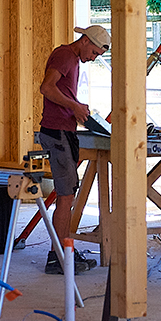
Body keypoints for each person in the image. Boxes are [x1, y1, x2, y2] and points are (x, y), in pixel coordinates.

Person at [38, 25, 111, 274]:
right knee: (65, 197)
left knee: (67, 195)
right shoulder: (65, 55)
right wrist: (74, 106)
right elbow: (46, 88)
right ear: (85, 40)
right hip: (56, 132)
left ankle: (63, 251)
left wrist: (77, 107)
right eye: (93, 53)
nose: (92, 58)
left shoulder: (73, 59)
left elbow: (60, 91)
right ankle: (58, 257)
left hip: (64, 130)